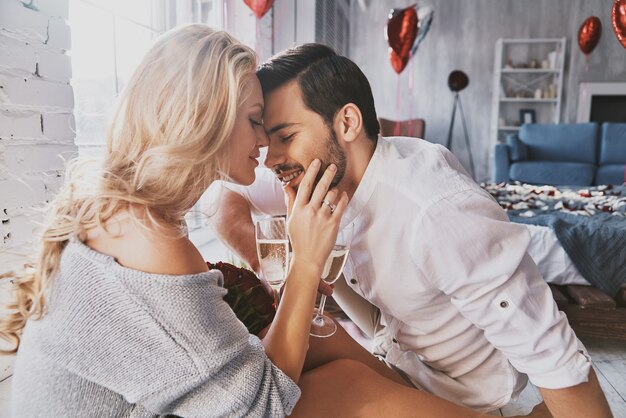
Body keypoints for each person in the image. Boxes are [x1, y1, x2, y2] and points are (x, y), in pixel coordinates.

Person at [0, 25, 536, 418]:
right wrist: (305, 264)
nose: (263, 143)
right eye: (257, 122)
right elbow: (261, 406)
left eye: (276, 129)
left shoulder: (124, 208)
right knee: (344, 387)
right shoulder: (153, 243)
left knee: (341, 368)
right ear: (204, 120)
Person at [207, 43, 612, 417]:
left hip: (465, 399)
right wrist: (287, 262)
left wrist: (306, 263)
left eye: (286, 137)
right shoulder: (323, 176)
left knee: (311, 394)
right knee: (274, 358)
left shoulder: (435, 211)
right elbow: (220, 198)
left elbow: (556, 360)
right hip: (401, 363)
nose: (270, 160)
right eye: (266, 141)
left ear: (347, 122)